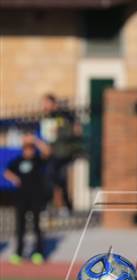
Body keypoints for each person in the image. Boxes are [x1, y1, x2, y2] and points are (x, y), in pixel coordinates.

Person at [4, 134, 51, 264]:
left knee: (36, 226)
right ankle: (19, 253)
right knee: (20, 227)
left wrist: (35, 140)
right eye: (26, 149)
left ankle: (38, 253)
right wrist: (14, 178)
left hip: (35, 198)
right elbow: (6, 171)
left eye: (31, 149)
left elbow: (47, 151)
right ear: (23, 150)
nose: (28, 151)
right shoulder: (17, 161)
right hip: (21, 199)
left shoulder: (37, 160)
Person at [38, 93, 81, 213]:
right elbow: (45, 135)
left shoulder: (64, 115)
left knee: (56, 177)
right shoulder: (46, 117)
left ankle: (61, 206)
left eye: (46, 102)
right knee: (55, 178)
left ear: (53, 103)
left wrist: (59, 132)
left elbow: (74, 131)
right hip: (50, 153)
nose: (44, 105)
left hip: (62, 152)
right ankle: (58, 205)